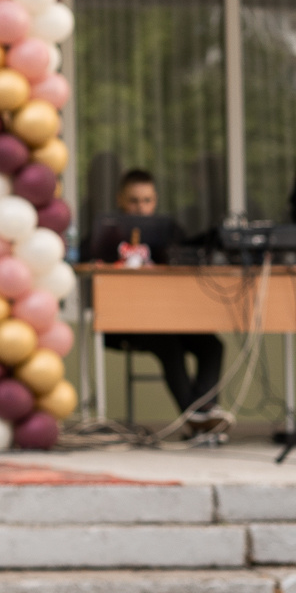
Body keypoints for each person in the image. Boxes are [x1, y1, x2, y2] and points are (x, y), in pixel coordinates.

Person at [93, 167, 229, 437]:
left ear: (155, 200)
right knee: (169, 345)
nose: (141, 207)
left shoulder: (170, 231)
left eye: (147, 200)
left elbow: (188, 261)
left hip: (169, 317)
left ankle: (203, 415)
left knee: (212, 345)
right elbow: (87, 262)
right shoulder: (105, 232)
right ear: (121, 199)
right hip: (124, 322)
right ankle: (201, 422)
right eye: (134, 200)